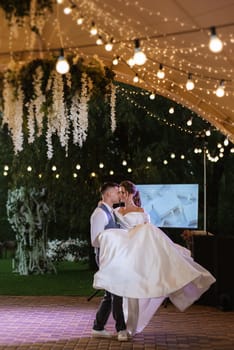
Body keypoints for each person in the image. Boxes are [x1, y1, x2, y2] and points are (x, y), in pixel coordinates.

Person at [93, 180, 216, 336]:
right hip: (126, 253)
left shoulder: (142, 211)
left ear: (131, 193)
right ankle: (122, 327)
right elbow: (109, 217)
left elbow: (149, 234)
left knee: (140, 286)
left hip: (140, 252)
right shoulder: (117, 212)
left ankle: (128, 325)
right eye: (120, 192)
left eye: (124, 192)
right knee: (125, 290)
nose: (121, 195)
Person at [90, 182, 128, 341]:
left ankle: (98, 327)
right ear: (106, 194)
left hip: (114, 256)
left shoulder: (111, 212)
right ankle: (121, 329)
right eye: (116, 192)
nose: (119, 194)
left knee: (110, 293)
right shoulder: (99, 213)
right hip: (106, 258)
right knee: (117, 291)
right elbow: (95, 240)